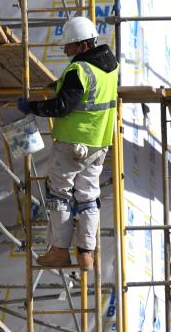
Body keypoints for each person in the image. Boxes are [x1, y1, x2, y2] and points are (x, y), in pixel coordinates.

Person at [17, 16, 118, 271]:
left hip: (72, 143)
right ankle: (86, 253)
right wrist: (59, 85)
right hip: (98, 144)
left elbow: (62, 106)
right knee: (88, 197)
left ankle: (59, 251)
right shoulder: (110, 67)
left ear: (82, 46)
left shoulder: (79, 70)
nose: (65, 50)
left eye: (69, 46)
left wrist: (33, 107)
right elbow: (88, 94)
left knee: (59, 194)